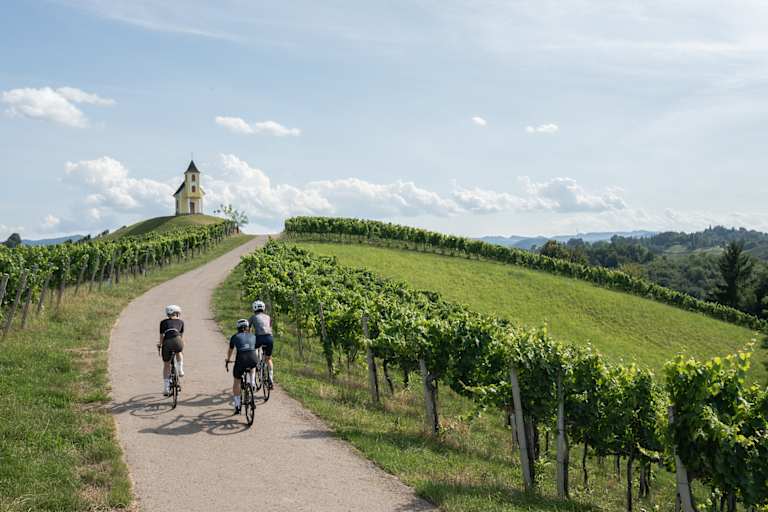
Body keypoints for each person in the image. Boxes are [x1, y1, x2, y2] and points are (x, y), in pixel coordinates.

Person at [226, 318, 258, 415]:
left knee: (237, 380)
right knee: (253, 366)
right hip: (253, 358)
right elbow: (255, 348)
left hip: (241, 360)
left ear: (238, 328)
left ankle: (237, 405)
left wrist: (228, 359)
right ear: (247, 327)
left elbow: (230, 351)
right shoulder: (253, 336)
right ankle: (252, 381)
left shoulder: (234, 337)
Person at [158, 304, 184, 396]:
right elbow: (180, 336)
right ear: (176, 313)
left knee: (166, 365)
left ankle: (166, 388)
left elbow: (162, 337)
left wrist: (160, 345)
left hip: (167, 343)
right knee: (179, 352)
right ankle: (180, 369)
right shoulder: (181, 322)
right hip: (177, 341)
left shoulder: (163, 322)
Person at [249, 300, 274, 389]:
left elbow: (248, 330)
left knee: (252, 357)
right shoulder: (268, 317)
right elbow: (270, 327)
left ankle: (252, 382)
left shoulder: (253, 317)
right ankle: (271, 378)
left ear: (254, 308)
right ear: (263, 308)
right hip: (269, 338)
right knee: (268, 358)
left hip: (259, 338)